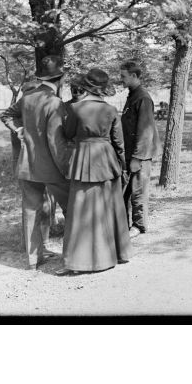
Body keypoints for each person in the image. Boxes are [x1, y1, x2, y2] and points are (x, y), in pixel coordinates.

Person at [56, 68, 133, 275]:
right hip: (106, 159)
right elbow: (119, 143)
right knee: (109, 206)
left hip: (83, 159)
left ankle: (80, 261)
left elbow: (68, 133)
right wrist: (123, 166)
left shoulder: (75, 108)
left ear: (86, 86)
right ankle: (116, 254)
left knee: (81, 209)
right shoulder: (111, 110)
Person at [0, 55, 70, 269]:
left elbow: (6, 115)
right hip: (52, 168)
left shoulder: (28, 98)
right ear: (61, 78)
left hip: (27, 165)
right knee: (72, 207)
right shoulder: (55, 103)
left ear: (41, 78)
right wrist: (66, 169)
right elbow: (55, 142)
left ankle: (32, 260)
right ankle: (73, 254)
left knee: (31, 211)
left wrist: (18, 129)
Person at [120, 60, 159, 237]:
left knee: (138, 191)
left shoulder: (143, 97)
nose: (121, 79)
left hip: (139, 156)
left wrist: (137, 157)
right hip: (129, 153)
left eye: (123, 76)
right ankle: (124, 226)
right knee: (127, 191)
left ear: (134, 76)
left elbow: (145, 131)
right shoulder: (132, 95)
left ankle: (138, 226)